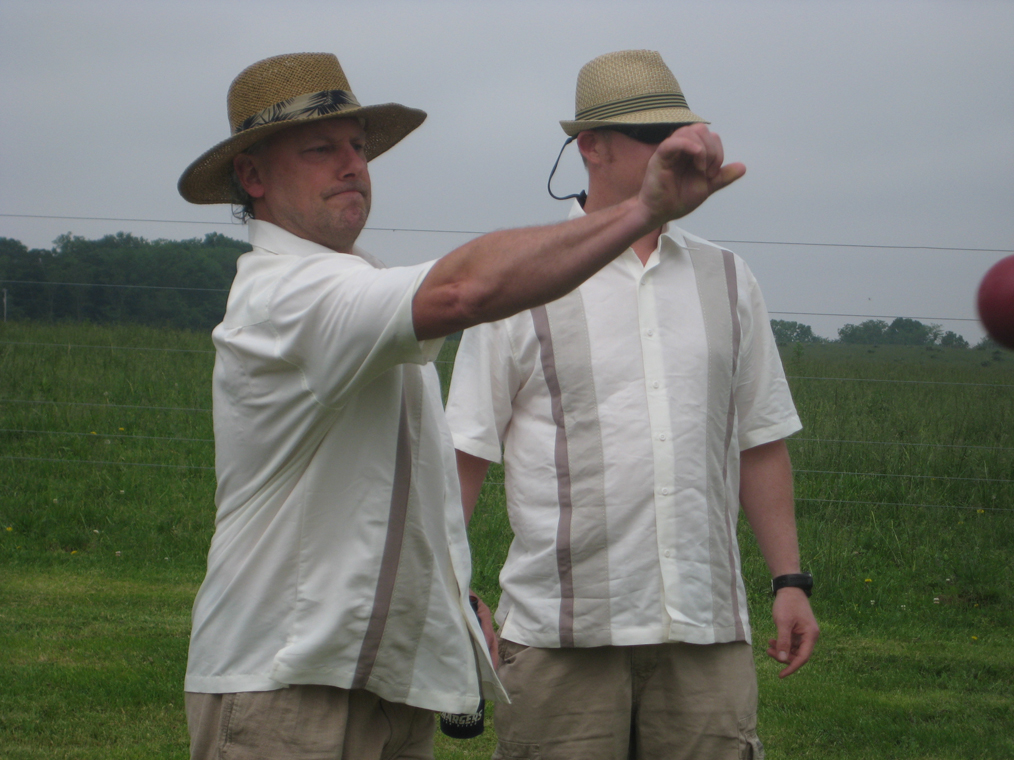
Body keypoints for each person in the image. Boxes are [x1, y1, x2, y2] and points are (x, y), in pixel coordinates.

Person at [176, 51, 745, 760]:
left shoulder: (351, 283)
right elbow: (463, 291)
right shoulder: (286, 295)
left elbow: (389, 478)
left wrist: (448, 585)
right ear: (253, 177)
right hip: (284, 687)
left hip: (376, 687)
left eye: (358, 146)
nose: (352, 166)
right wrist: (643, 211)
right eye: (320, 150)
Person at [445, 49, 819, 760]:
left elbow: (760, 440)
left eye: (681, 134)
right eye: (654, 136)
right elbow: (464, 451)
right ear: (591, 146)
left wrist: (790, 582)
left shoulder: (729, 278)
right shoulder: (520, 279)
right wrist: (447, 589)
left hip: (705, 631)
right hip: (562, 635)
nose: (677, 151)